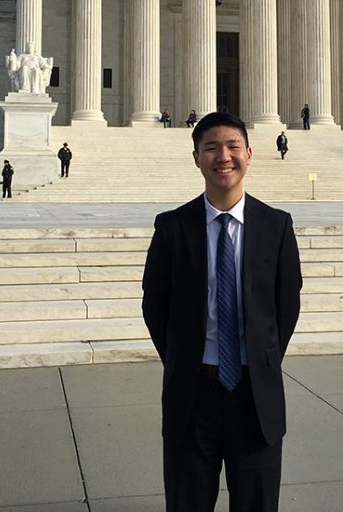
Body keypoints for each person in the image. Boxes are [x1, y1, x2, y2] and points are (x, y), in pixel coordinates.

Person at [142, 112, 302, 512]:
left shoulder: (276, 225)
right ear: (196, 158)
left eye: (232, 146)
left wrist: (261, 359)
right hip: (193, 395)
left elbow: (287, 305)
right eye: (211, 147)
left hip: (255, 397)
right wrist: (186, 359)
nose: (223, 157)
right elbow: (154, 304)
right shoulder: (172, 226)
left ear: (249, 154)